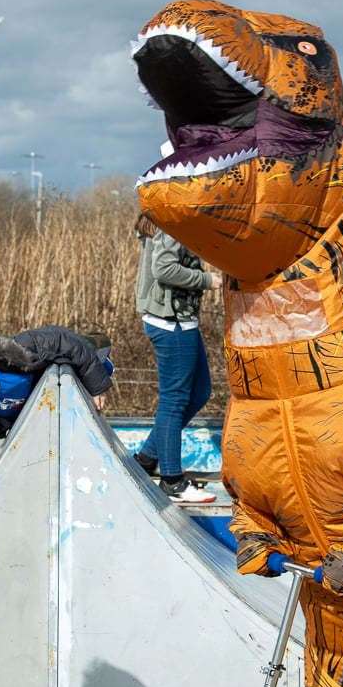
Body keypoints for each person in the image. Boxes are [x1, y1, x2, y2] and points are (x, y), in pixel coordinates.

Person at [0, 326, 114, 500]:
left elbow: (65, 343)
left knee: (90, 359)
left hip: (55, 399)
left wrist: (97, 386)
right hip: (22, 421)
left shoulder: (21, 352)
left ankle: (103, 361)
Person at [130, 212, 222, 504]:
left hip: (179, 319)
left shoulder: (169, 218)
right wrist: (207, 279)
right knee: (174, 401)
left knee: (200, 391)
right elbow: (164, 268)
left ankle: (146, 458)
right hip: (171, 321)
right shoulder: (174, 221)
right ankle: (172, 480)